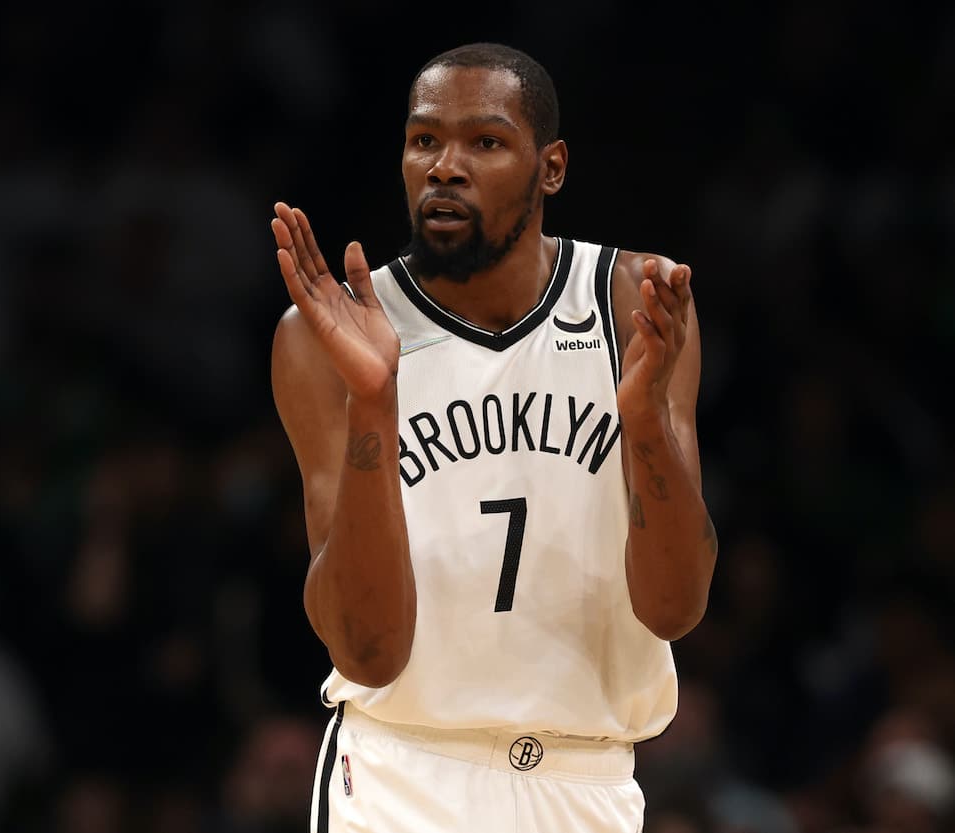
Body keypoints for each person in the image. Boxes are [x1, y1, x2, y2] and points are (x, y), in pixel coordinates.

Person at [269, 42, 718, 832]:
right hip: (400, 777)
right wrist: (376, 402)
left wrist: (643, 423)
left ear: (551, 167)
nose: (445, 166)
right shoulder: (324, 336)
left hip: (589, 779)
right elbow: (366, 650)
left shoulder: (631, 302)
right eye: (423, 140)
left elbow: (676, 607)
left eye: (484, 141)